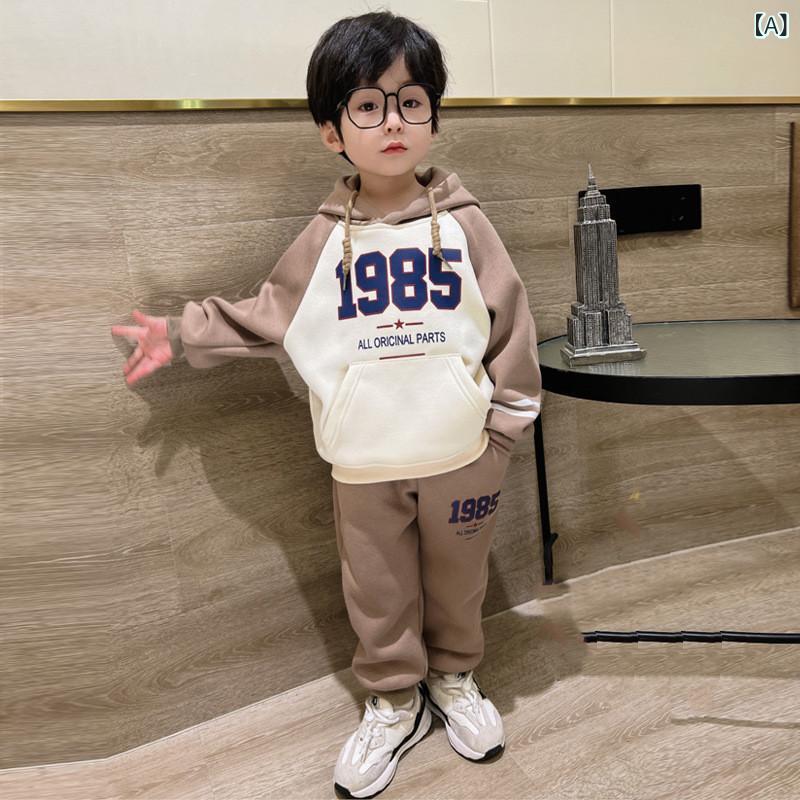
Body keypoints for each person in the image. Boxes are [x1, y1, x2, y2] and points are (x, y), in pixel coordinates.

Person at [111, 10, 542, 799]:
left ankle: (454, 679)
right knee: (377, 594)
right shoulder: (322, 237)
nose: (393, 122)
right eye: (368, 105)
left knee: (460, 583)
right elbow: (269, 314)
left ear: (435, 117)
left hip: (464, 457)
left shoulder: (467, 223)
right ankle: (395, 701)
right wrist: (179, 333)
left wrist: (506, 430)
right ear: (331, 130)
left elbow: (511, 323)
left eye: (411, 102)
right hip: (363, 463)